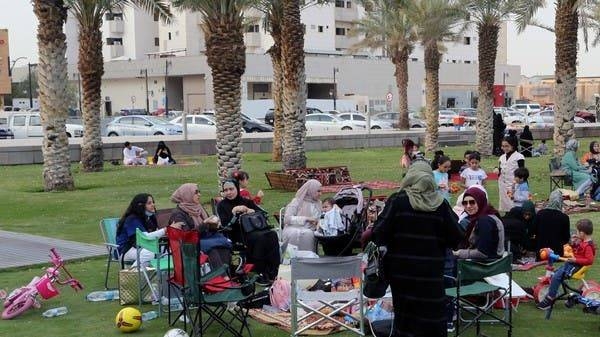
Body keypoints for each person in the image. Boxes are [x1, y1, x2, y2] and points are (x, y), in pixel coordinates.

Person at [372, 160, 463, 337]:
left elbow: (379, 234)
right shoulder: (440, 205)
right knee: (432, 317)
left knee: (406, 319)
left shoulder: (398, 201)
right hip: (431, 274)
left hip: (402, 273)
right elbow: (457, 238)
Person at [216, 179, 280, 284]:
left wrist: (251, 210)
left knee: (272, 234)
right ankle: (258, 271)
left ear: (236, 188)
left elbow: (261, 213)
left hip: (253, 230)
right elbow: (226, 225)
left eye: (231, 189)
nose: (229, 192)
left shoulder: (246, 201)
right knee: (260, 238)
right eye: (226, 190)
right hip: (235, 234)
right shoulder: (222, 205)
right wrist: (234, 213)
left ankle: (273, 270)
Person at [537, 219, 596, 310]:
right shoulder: (582, 241)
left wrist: (575, 260)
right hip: (572, 264)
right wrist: (573, 243)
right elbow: (577, 250)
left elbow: (589, 260)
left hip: (577, 267)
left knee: (557, 276)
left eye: (577, 231)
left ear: (582, 233)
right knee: (555, 274)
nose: (576, 233)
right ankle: (553, 290)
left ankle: (550, 299)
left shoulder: (588, 246)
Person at [169, 183, 231, 267]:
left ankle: (226, 275)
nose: (199, 194)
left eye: (199, 192)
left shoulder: (198, 207)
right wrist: (204, 224)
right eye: (196, 192)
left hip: (204, 237)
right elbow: (186, 236)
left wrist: (213, 225)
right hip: (189, 244)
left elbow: (207, 226)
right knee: (212, 249)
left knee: (224, 246)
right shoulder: (178, 214)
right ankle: (220, 277)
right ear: (187, 195)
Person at [116, 193, 181, 266]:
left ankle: (164, 277)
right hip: (126, 250)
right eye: (149, 203)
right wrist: (166, 229)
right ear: (140, 206)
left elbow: (155, 235)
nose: (153, 205)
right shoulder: (132, 219)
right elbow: (145, 237)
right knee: (149, 253)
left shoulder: (150, 218)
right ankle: (132, 275)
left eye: (153, 202)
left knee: (171, 249)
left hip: (144, 247)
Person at [453, 187, 505, 260]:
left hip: (487, 264)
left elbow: (483, 253)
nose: (468, 206)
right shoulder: (488, 215)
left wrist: (458, 253)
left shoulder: (485, 221)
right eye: (465, 203)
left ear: (480, 201)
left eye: (472, 202)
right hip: (489, 259)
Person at [283, 179, 322, 252]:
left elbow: (320, 218)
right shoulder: (297, 201)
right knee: (296, 233)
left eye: (321, 191)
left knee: (308, 233)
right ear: (311, 190)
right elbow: (287, 219)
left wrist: (317, 222)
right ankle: (291, 258)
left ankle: (307, 258)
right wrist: (306, 219)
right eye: (318, 191)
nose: (320, 194)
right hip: (293, 227)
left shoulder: (318, 203)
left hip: (311, 229)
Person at [534, 189, 570, 259]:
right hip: (557, 253)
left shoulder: (540, 214)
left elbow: (534, 230)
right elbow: (566, 238)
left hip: (541, 251)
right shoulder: (564, 217)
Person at [497, 136, 525, 212]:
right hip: (503, 184)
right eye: (503, 146)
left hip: (514, 184)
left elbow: (522, 172)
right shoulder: (501, 157)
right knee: (505, 204)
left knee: (514, 204)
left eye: (507, 146)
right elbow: (500, 170)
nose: (504, 148)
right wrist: (497, 170)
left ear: (512, 145)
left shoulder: (519, 157)